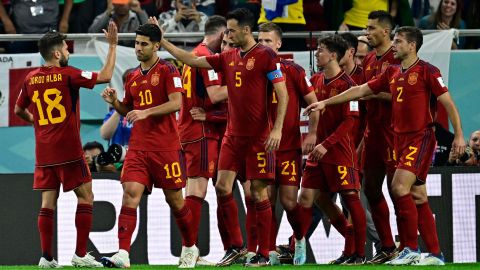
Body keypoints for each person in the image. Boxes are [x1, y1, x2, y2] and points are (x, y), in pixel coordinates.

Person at [305, 26, 466, 266]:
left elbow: (447, 102)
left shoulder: (427, 71)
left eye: (399, 41)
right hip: (397, 139)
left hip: (420, 137)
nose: (395, 45)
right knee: (418, 195)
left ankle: (409, 248)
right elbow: (360, 89)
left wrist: (459, 135)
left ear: (412, 46)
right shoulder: (392, 72)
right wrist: (325, 103)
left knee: (399, 187)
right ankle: (435, 254)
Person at [160, 8, 289, 267]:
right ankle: (236, 248)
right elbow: (194, 60)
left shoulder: (266, 56)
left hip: (259, 137)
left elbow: (282, 94)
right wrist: (163, 41)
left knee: (258, 192)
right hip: (232, 136)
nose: (227, 34)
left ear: (245, 30)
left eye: (231, 30)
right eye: (226, 30)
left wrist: (277, 129)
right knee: (221, 186)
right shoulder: (228, 56)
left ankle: (263, 253)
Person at [14, 21, 118, 268]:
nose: (69, 53)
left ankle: (46, 258)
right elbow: (104, 76)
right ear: (57, 53)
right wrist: (113, 45)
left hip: (43, 152)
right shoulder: (69, 74)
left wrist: (37, 123)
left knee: (47, 203)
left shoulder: (30, 78)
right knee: (86, 196)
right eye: (66, 49)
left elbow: (19, 109)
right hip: (69, 151)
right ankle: (80, 254)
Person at [99, 23, 199, 268]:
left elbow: (177, 103)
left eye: (144, 44)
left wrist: (146, 112)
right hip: (139, 147)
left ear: (156, 45)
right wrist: (116, 103)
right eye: (136, 43)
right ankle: (123, 254)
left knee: (175, 200)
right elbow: (128, 110)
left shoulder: (168, 70)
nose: (138, 48)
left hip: (165, 147)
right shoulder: (132, 75)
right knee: (129, 194)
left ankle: (189, 247)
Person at [289, 35, 367, 266]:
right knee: (309, 198)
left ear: (333, 55)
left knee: (350, 199)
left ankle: (357, 253)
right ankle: (299, 243)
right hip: (317, 154)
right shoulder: (314, 80)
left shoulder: (348, 86)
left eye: (321, 50)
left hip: (339, 152)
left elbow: (350, 123)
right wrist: (313, 136)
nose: (317, 53)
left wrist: (326, 144)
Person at [256, 22, 319, 265]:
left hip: (289, 146)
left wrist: (312, 134)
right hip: (262, 148)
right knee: (266, 200)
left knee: (289, 201)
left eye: (268, 41)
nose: (262, 45)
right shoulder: (252, 70)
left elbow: (314, 106)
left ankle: (299, 238)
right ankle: (268, 250)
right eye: (259, 41)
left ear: (279, 44)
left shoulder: (293, 70)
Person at [176, 15, 227, 266]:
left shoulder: (194, 54)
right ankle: (188, 250)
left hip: (189, 128)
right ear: (220, 35)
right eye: (227, 37)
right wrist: (248, 81)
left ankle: (191, 250)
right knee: (197, 189)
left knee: (194, 188)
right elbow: (216, 94)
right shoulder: (205, 57)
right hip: (201, 131)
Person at [361, 10, 401, 264]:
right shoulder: (368, 60)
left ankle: (408, 246)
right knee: (371, 188)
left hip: (393, 133)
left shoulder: (397, 59)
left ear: (385, 31)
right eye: (366, 28)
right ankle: (386, 246)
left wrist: (373, 94)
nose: (367, 32)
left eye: (371, 28)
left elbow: (403, 97)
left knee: (399, 191)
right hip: (372, 134)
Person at [100, 68, 135, 147]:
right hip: (119, 157)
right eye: (128, 82)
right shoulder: (114, 112)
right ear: (124, 86)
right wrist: (120, 107)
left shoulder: (148, 110)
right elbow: (105, 135)